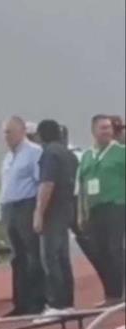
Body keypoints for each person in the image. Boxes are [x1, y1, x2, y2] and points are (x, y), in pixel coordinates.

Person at [0, 116, 46, 315]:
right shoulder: (8, 157)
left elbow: (41, 183)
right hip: (10, 208)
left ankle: (37, 301)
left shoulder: (34, 153)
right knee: (17, 257)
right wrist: (0, 211)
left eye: (9, 132)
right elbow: (4, 186)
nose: (6, 136)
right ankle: (20, 303)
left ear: (21, 132)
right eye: (4, 133)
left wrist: (38, 211)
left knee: (32, 254)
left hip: (26, 205)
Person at [77, 114, 126, 305]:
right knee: (100, 251)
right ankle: (112, 294)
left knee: (115, 249)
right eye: (102, 128)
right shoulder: (87, 156)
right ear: (93, 131)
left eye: (109, 128)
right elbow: (81, 185)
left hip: (117, 205)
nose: (107, 131)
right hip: (94, 209)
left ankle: (122, 292)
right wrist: (81, 212)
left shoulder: (121, 152)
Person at [33, 119, 77, 314]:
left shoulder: (49, 154)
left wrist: (39, 213)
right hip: (67, 208)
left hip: (53, 211)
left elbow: (47, 184)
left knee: (50, 257)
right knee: (63, 257)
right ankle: (68, 302)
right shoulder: (69, 154)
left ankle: (57, 303)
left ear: (40, 136)